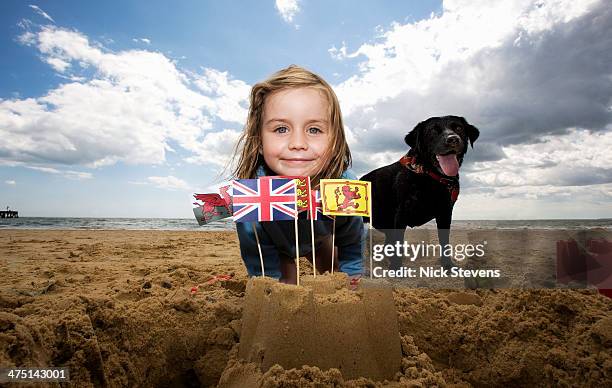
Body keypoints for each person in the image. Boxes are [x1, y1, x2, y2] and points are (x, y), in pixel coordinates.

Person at [230, 65, 364, 284]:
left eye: (314, 130)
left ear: (335, 140)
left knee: (336, 273)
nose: (298, 144)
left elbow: (352, 236)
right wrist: (267, 280)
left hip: (319, 241)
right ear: (259, 141)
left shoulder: (344, 185)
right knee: (282, 288)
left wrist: (353, 271)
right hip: (276, 245)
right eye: (281, 129)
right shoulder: (251, 194)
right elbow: (254, 247)